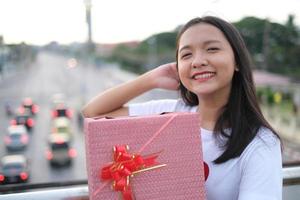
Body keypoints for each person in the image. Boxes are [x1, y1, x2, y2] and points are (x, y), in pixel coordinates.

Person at [82, 16, 282, 200]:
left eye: (212, 49)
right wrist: (151, 79)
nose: (198, 61)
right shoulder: (167, 114)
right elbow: (94, 113)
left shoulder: (261, 144)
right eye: (186, 55)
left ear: (237, 61)